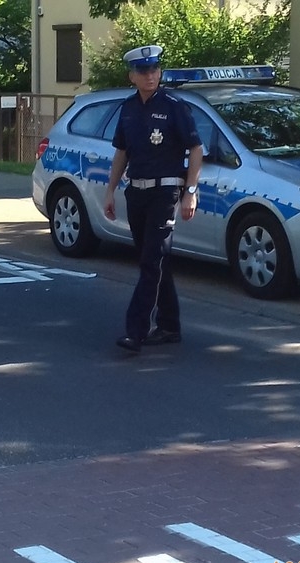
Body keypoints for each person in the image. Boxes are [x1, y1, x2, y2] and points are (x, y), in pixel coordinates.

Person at [103, 45, 203, 353]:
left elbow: (196, 149)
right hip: (137, 190)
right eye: (144, 71)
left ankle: (136, 330)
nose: (150, 76)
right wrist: (110, 190)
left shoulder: (174, 105)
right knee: (154, 260)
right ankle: (170, 325)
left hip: (165, 190)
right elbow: (122, 151)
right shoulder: (129, 108)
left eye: (155, 70)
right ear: (132, 76)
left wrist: (190, 192)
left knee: (151, 260)